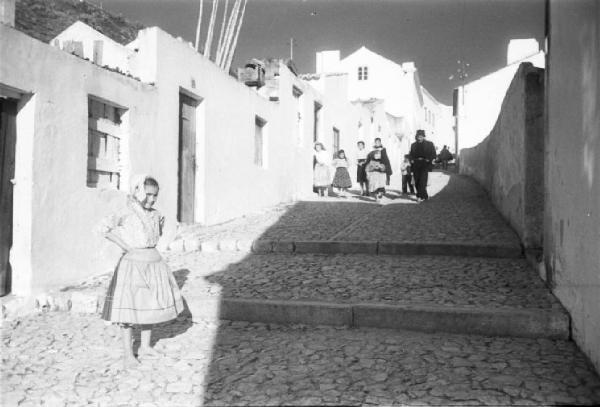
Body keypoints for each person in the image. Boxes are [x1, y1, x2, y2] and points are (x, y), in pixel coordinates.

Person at [97, 175, 184, 369]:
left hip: (153, 263)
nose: (152, 199)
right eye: (149, 194)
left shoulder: (155, 214)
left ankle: (145, 346)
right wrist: (126, 246)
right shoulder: (126, 211)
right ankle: (128, 354)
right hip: (132, 265)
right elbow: (104, 228)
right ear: (139, 191)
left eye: (155, 195)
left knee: (149, 306)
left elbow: (156, 234)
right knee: (128, 311)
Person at [409, 129, 436, 202]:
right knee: (417, 181)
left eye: (421, 136)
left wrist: (429, 159)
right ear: (416, 137)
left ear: (424, 137)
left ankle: (419, 196)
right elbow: (410, 154)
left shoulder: (429, 144)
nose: (419, 138)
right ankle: (425, 195)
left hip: (425, 164)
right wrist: (411, 159)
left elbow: (433, 154)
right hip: (416, 164)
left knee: (423, 181)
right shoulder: (413, 145)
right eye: (418, 136)